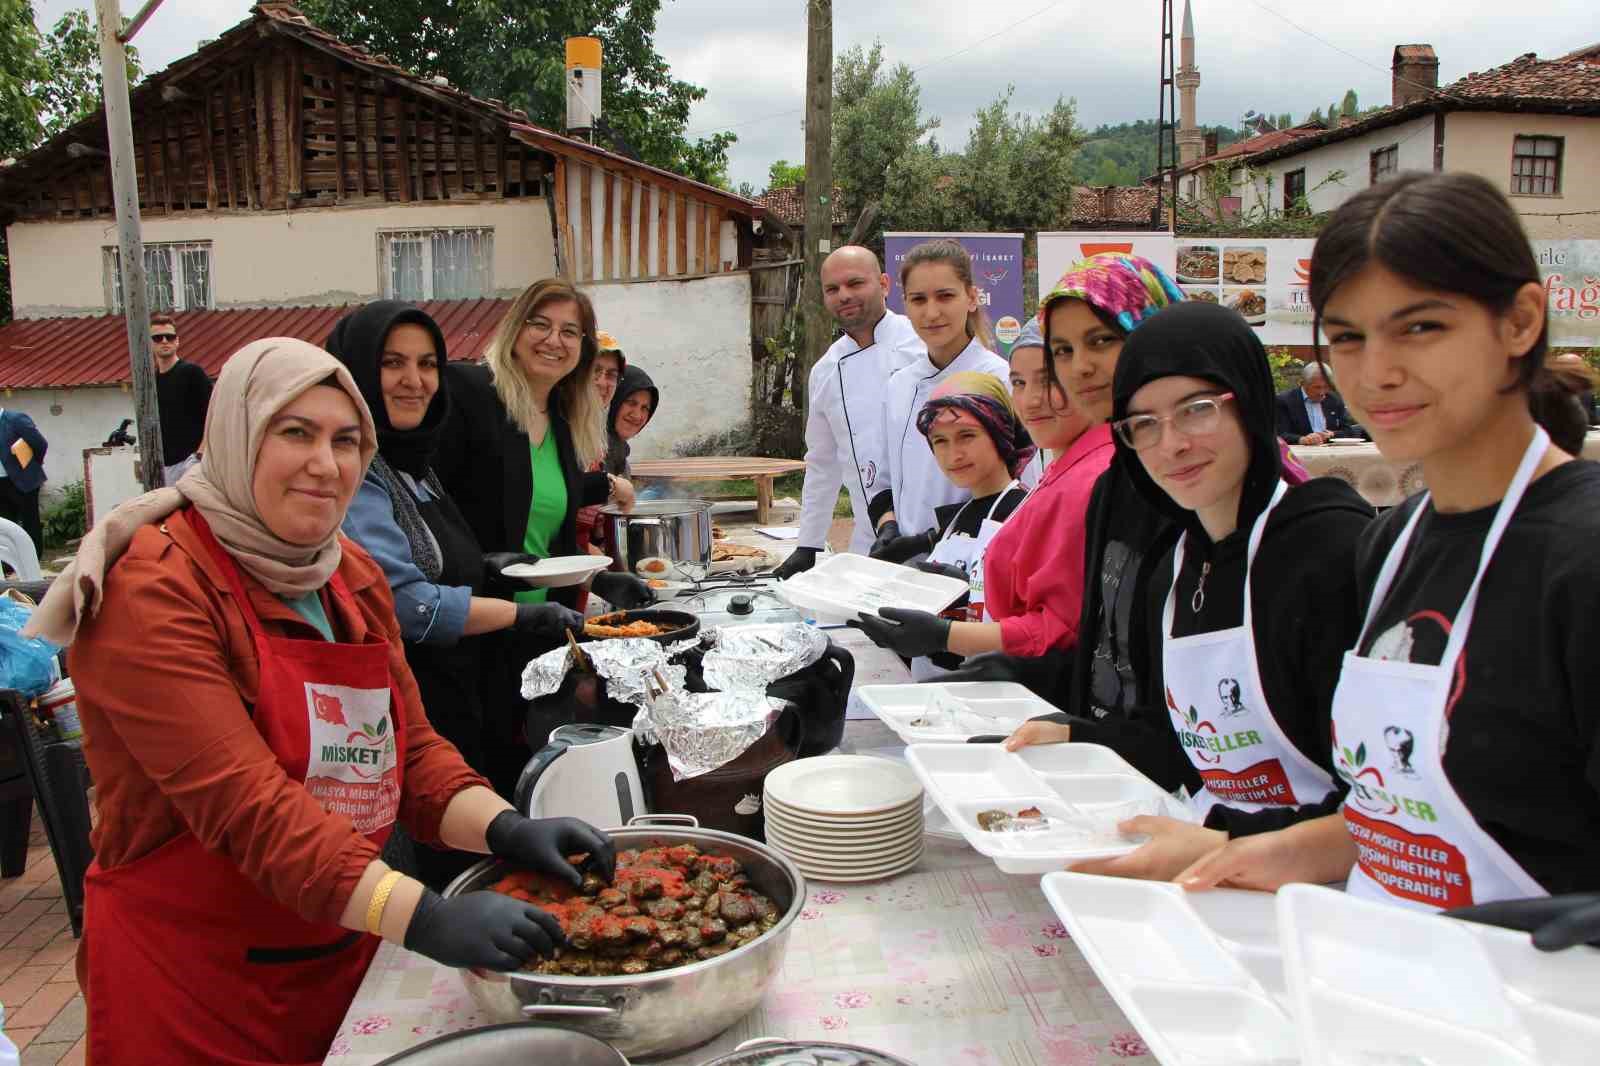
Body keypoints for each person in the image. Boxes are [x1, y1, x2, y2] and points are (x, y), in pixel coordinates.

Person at [25, 338, 616, 1064]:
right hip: (195, 985)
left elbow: (409, 750)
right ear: (235, 437)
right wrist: (426, 916)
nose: (325, 464)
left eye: (345, 440)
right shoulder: (154, 589)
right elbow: (250, 809)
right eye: (294, 433)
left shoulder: (347, 574)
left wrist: (504, 827)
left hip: (333, 943)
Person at [1176, 172, 1600, 916]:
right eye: (1347, 338)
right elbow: (1394, 816)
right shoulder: (1393, 543)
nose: (1377, 373)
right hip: (1388, 987)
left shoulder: (1582, 555)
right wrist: (1247, 849)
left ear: (1521, 322)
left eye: (1421, 327)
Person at [1058, 301, 1372, 882]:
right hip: (1219, 875)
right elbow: (1176, 738)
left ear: (1249, 404)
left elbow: (1389, 807)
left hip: (1335, 896)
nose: (1170, 444)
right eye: (1144, 424)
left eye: (1196, 410)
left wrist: (1221, 842)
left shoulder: (1329, 552)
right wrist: (1071, 736)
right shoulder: (1172, 568)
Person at [328, 301, 583, 888]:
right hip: (407, 713)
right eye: (392, 363)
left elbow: (440, 561)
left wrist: (497, 567)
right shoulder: (358, 469)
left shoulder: (413, 462)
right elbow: (407, 602)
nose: (413, 381)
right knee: (440, 873)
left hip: (456, 700)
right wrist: (519, 616)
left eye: (426, 363)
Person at [433, 280, 651, 792]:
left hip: (531, 637)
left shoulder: (563, 420)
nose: (554, 340)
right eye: (541, 324)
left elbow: (550, 540)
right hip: (468, 635)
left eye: (570, 332)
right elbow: (426, 506)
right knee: (470, 781)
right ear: (515, 328)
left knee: (526, 778)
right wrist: (481, 561)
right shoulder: (468, 393)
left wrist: (602, 581)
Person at [853, 321, 1114, 681]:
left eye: (1049, 380)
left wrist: (947, 634)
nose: (1033, 399)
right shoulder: (1048, 484)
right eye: (1019, 383)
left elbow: (1059, 626)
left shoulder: (1080, 484)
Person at [851, 373, 1034, 680]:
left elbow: (1031, 633)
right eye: (940, 441)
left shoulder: (1022, 516)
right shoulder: (961, 515)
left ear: (1000, 432)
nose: (953, 455)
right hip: (936, 695)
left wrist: (959, 614)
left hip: (993, 700)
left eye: (967, 436)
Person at [775, 246, 923, 579]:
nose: (844, 295)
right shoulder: (826, 369)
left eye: (855, 283)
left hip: (933, 540)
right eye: (833, 289)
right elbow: (823, 462)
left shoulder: (924, 347)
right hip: (869, 543)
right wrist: (809, 543)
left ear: (884, 284)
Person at [867, 239, 1010, 558]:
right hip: (906, 570)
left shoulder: (997, 380)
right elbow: (883, 480)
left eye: (945, 296)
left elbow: (1017, 496)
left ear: (972, 298)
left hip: (974, 568)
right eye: (919, 299)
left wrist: (930, 540)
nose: (932, 312)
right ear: (904, 303)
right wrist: (888, 526)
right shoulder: (899, 385)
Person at [152, 312, 214, 483]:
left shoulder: (192, 373)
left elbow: (215, 412)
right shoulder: (150, 382)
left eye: (170, 337)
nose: (164, 341)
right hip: (161, 466)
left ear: (177, 341)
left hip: (190, 463)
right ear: (150, 343)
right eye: (158, 338)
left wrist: (199, 455)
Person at [1274, 363, 1362, 445]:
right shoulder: (1285, 401)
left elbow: (1349, 431)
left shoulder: (1334, 400)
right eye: (1317, 387)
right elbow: (1279, 434)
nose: (1322, 392)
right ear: (1303, 383)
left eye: (1326, 387)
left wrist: (1332, 434)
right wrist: (1302, 439)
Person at [0, 405, 46, 555]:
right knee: (6, 525)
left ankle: (33, 559)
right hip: (1, 483)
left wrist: (31, 466)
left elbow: (40, 444)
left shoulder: (15, 419)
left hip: (23, 480)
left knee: (30, 522)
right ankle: (10, 564)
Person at [605, 364, 659, 475]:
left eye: (645, 408)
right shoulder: (594, 455)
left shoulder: (618, 454)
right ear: (613, 400)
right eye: (631, 403)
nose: (637, 415)